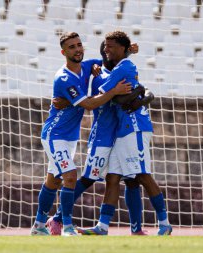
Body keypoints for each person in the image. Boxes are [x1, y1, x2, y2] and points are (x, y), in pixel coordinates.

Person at [46, 41, 155, 236]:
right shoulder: (99, 77)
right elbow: (113, 98)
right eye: (107, 50)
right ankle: (57, 218)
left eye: (113, 49)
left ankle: (126, 228)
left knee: (128, 180)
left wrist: (143, 95)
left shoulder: (119, 71)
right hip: (103, 136)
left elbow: (140, 88)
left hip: (121, 134)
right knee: (89, 178)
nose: (110, 53)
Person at [31, 32, 131, 236]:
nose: (77, 50)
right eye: (71, 47)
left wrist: (130, 50)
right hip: (54, 135)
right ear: (63, 52)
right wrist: (114, 91)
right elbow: (89, 104)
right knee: (70, 175)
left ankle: (39, 226)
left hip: (69, 137)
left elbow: (108, 58)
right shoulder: (64, 77)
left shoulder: (88, 65)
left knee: (53, 181)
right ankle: (66, 226)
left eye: (79, 45)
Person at [77, 30, 172, 236]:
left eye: (110, 46)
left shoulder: (124, 67)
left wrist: (98, 74)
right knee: (113, 178)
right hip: (123, 129)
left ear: (122, 48)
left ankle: (164, 223)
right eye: (105, 46)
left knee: (142, 175)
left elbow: (105, 91)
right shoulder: (123, 65)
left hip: (135, 127)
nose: (106, 49)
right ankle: (102, 227)